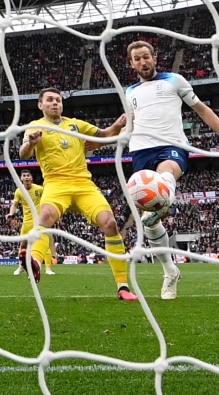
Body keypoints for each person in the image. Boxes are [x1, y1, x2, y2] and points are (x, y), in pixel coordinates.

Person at [123, 41, 219, 300]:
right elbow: (131, 124)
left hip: (171, 145)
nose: (143, 62)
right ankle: (170, 271)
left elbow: (202, 109)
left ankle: (166, 195)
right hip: (140, 151)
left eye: (146, 57)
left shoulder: (174, 80)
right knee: (147, 222)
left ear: (154, 58)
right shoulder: (129, 91)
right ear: (131, 64)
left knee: (166, 175)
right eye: (137, 59)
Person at [19, 89, 137, 301]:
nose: (54, 103)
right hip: (56, 184)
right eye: (49, 100)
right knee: (45, 216)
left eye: (58, 100)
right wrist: (31, 144)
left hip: (84, 184)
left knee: (110, 223)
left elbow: (105, 134)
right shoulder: (35, 127)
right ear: (40, 105)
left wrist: (118, 125)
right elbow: (23, 152)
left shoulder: (76, 124)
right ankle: (34, 261)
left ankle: (123, 286)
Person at [6, 170, 54, 278]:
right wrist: (11, 213)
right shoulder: (19, 191)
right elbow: (14, 205)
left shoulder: (39, 189)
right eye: (24, 176)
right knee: (23, 245)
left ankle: (48, 269)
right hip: (27, 222)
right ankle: (21, 266)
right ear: (21, 178)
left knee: (44, 244)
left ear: (31, 178)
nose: (26, 177)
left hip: (39, 221)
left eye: (28, 175)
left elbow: (49, 198)